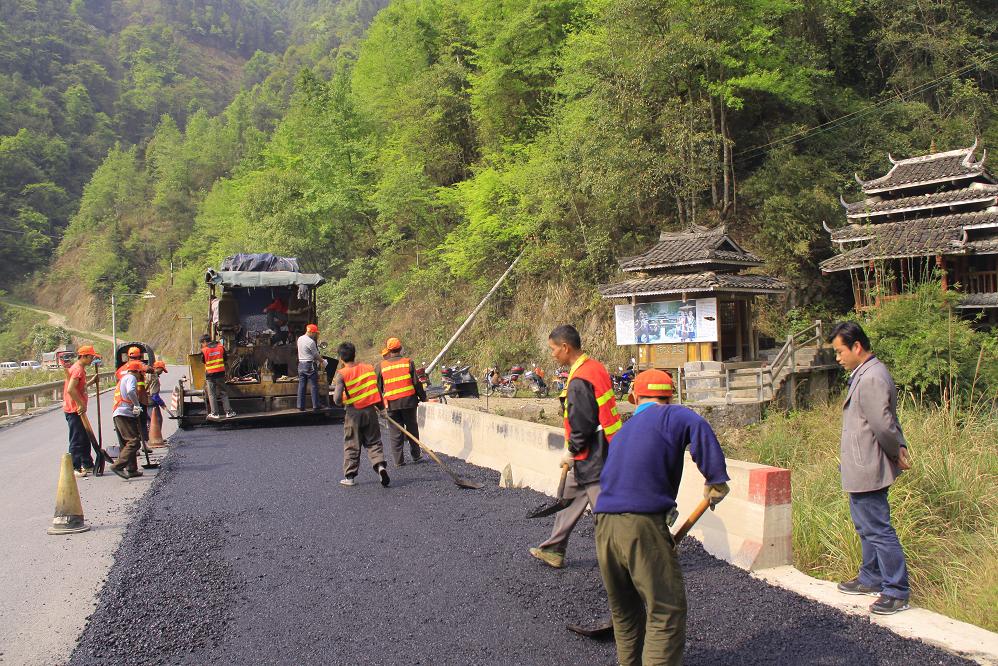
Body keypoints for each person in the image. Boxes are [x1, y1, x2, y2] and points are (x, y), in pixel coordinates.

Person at [593, 369, 730, 666]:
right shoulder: (673, 415)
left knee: (626, 613)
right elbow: (699, 425)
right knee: (665, 610)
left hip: (604, 524)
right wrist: (716, 478)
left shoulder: (625, 431)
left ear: (634, 397)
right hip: (640, 523)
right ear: (669, 397)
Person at [829, 321, 910, 615]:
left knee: (878, 529)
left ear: (857, 347)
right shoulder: (863, 374)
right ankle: (871, 577)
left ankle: (896, 590)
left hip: (870, 466)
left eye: (840, 351)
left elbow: (884, 425)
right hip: (860, 466)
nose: (838, 358)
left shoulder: (872, 376)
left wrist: (897, 451)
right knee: (866, 527)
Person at [529, 324, 622, 569]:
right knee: (568, 498)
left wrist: (571, 451)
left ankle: (625, 561)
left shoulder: (580, 380)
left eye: (553, 349)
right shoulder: (594, 367)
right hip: (600, 448)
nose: (552, 354)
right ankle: (554, 550)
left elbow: (583, 423)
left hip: (593, 455)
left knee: (606, 513)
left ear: (565, 347)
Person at [332, 342, 390, 488]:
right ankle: (380, 466)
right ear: (354, 354)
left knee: (352, 443)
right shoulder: (368, 368)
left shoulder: (342, 374)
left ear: (341, 358)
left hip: (353, 414)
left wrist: (342, 401)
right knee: (374, 441)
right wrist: (382, 409)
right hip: (370, 412)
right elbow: (376, 390)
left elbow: (337, 399)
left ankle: (350, 477)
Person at [376, 337, 427, 466]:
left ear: (388, 350)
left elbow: (377, 388)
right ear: (400, 348)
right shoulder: (408, 362)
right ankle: (416, 455)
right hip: (409, 402)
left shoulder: (381, 366)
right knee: (412, 428)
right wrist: (423, 397)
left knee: (395, 432)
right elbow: (416, 383)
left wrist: (379, 406)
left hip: (392, 405)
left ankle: (398, 461)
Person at [63, 345, 100, 477]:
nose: (92, 360)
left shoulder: (78, 369)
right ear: (83, 356)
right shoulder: (78, 369)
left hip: (76, 409)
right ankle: (75, 467)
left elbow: (80, 387)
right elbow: (71, 389)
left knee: (84, 437)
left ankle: (87, 464)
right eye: (91, 357)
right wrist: (80, 404)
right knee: (77, 439)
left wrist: (91, 381)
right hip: (74, 410)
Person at [109, 360, 146, 480]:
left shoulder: (123, 379)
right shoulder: (131, 378)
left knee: (125, 443)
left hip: (118, 413)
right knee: (134, 442)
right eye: (141, 373)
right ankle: (118, 466)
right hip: (123, 413)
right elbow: (130, 391)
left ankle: (132, 469)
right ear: (138, 372)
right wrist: (137, 405)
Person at [200, 334, 236, 419]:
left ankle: (215, 413)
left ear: (205, 342)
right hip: (220, 374)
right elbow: (225, 359)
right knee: (223, 392)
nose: (202, 345)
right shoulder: (220, 347)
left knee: (212, 394)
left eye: (202, 343)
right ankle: (228, 412)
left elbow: (203, 361)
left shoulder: (204, 350)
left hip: (210, 375)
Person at [296, 324, 323, 411]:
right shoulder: (311, 342)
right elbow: (315, 355)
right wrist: (322, 361)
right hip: (309, 365)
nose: (315, 335)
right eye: (315, 333)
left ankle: (300, 406)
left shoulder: (300, 339)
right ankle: (316, 405)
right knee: (314, 385)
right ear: (311, 332)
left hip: (301, 365)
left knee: (302, 385)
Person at [146, 361, 168, 447]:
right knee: (158, 419)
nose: (162, 372)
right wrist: (162, 404)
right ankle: (155, 438)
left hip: (144, 400)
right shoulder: (154, 377)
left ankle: (149, 438)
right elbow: (154, 395)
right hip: (151, 402)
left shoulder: (146, 375)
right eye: (161, 370)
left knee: (148, 420)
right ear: (157, 368)